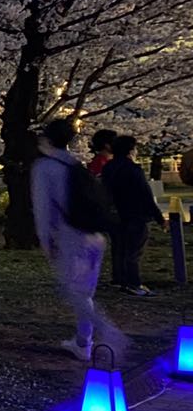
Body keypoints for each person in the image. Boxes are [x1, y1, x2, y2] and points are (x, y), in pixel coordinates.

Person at [31, 119, 124, 361]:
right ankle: (83, 342)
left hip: (70, 237)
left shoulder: (44, 167)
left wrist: (46, 242)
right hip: (94, 236)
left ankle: (109, 333)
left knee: (73, 292)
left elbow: (43, 210)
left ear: (47, 139)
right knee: (84, 293)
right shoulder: (74, 164)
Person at [100, 135, 164, 296]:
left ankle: (120, 279)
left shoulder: (108, 168)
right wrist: (159, 217)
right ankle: (133, 283)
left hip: (116, 215)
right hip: (136, 215)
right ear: (130, 150)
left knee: (120, 249)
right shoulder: (133, 169)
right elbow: (145, 194)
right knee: (134, 251)